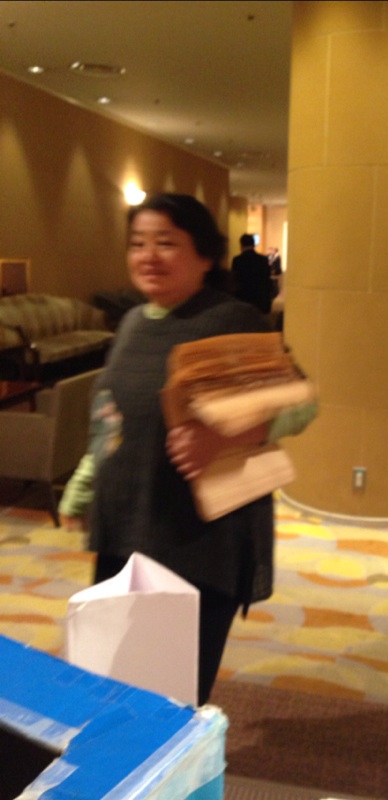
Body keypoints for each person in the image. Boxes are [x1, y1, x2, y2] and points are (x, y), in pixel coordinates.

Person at [58, 194, 316, 706]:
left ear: (204, 255)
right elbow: (112, 418)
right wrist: (83, 487)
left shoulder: (232, 320)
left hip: (202, 537)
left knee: (173, 691)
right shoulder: (133, 322)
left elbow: (302, 403)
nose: (149, 256)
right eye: (138, 243)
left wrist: (221, 437)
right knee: (114, 676)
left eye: (166, 243)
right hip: (126, 525)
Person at [230, 233, 272, 314]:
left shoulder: (237, 260)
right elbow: (267, 279)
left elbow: (235, 280)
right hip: (260, 299)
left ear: (241, 245)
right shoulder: (263, 260)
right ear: (253, 245)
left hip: (243, 298)